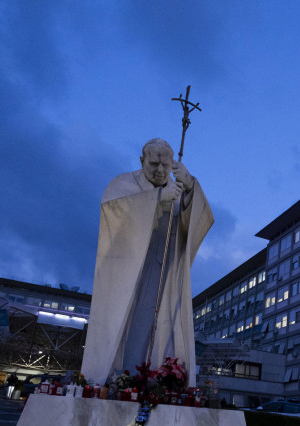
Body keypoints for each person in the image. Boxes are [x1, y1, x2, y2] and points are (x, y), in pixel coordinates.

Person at [81, 138, 213, 388]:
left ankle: (152, 376)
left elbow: (195, 223)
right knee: (126, 319)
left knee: (159, 322)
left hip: (162, 270)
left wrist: (191, 189)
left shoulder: (177, 189)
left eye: (165, 165)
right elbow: (114, 213)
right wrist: (157, 200)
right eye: (153, 164)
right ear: (142, 161)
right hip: (129, 269)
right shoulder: (123, 184)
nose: (160, 170)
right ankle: (115, 376)